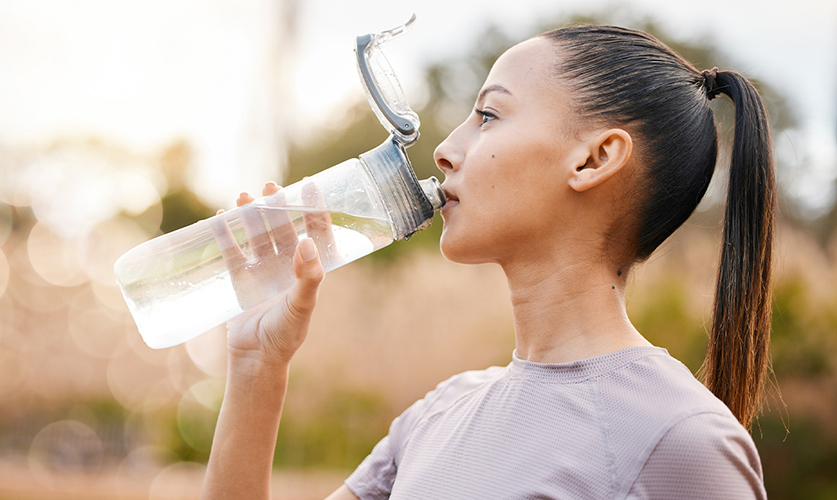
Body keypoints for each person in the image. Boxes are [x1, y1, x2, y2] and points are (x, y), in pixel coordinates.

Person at [201, 24, 774, 499]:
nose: (446, 149)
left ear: (595, 159)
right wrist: (257, 363)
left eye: (489, 116)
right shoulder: (436, 417)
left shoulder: (680, 440)